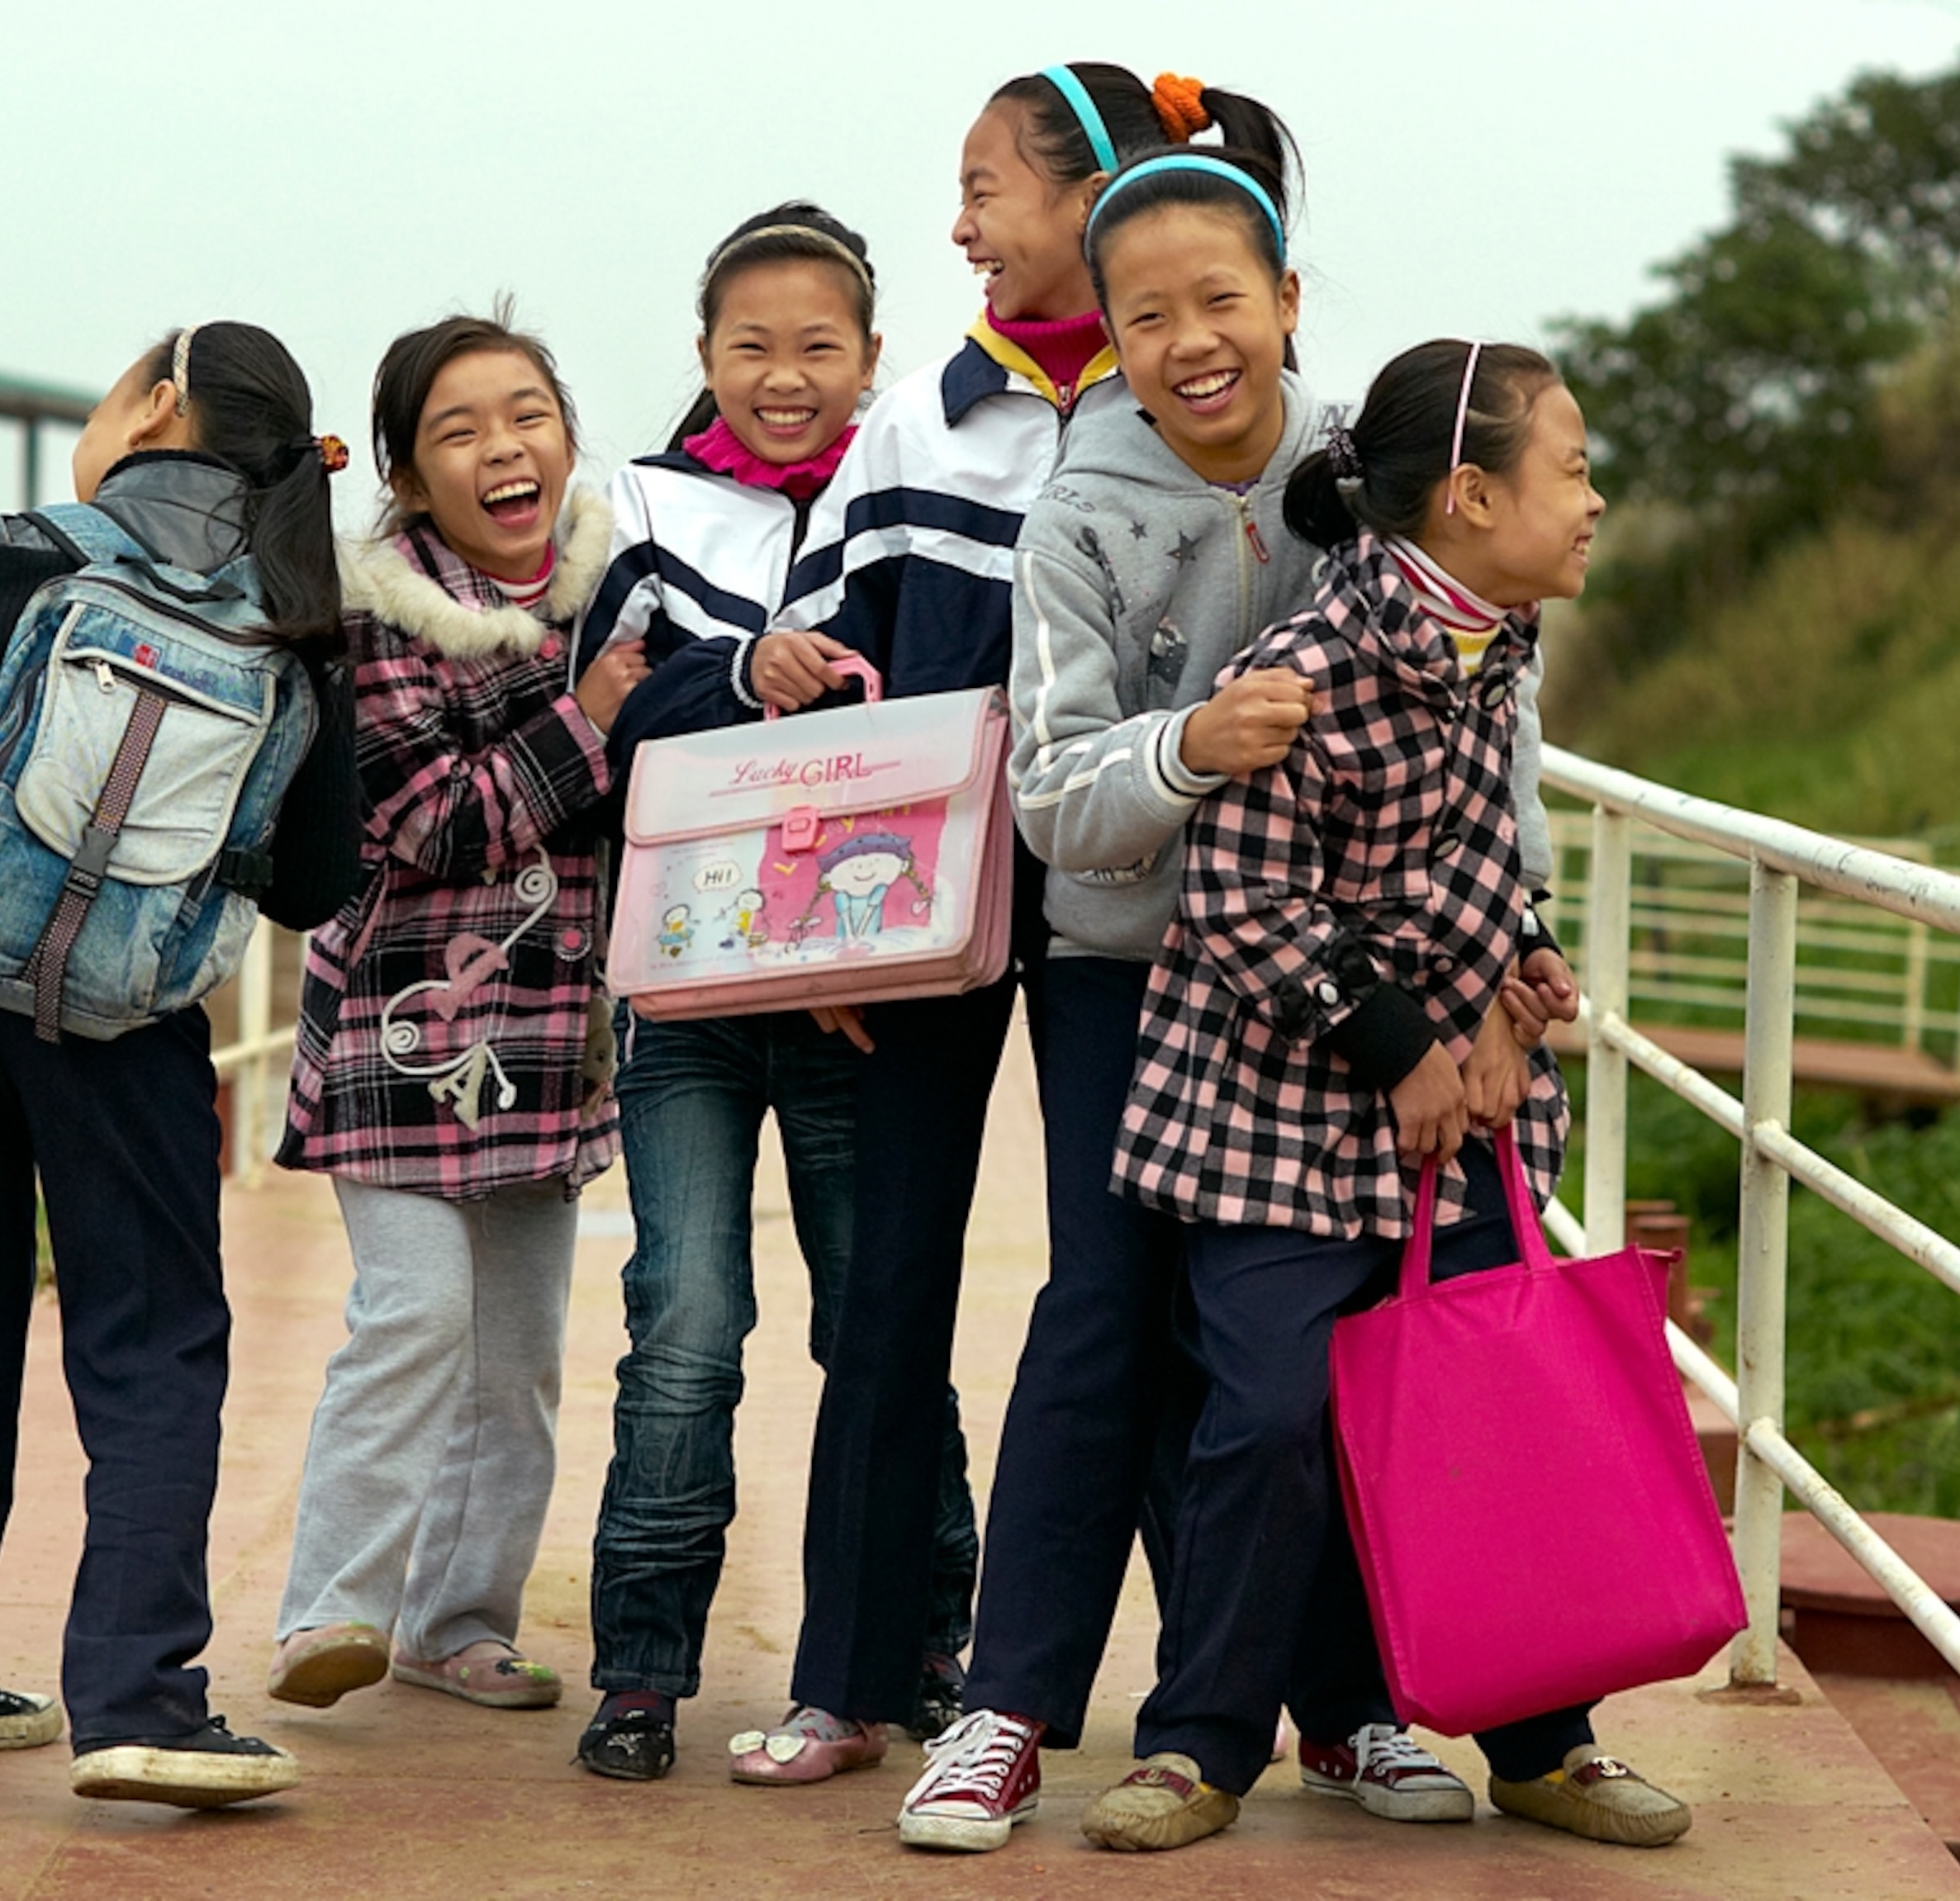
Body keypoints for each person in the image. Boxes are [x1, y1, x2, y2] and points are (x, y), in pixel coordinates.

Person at [1079, 339, 1689, 1853]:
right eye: (1576, 468)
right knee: (1268, 1418)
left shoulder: (1500, 641)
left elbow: (1475, 868)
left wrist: (1516, 984)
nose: (1598, 500)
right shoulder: (1315, 668)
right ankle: (1199, 1745)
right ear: (1472, 497)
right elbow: (1240, 894)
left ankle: (1547, 1736)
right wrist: (1406, 1045)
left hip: (1457, 1115)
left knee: (1507, 1405)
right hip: (1277, 1121)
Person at [0, 320, 360, 1809]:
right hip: (127, 1026)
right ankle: (142, 1696)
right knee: (152, 1336)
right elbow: (310, 878)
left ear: (155, 404)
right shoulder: (297, 600)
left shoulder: (33, 546)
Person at [736, 61, 1194, 1785]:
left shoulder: (1185, 410)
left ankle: (1189, 1706)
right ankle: (846, 1681)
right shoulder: (917, 425)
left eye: (988, 186)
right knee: (887, 1295)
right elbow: (829, 680)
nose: (962, 223)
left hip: (1118, 918)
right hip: (917, 926)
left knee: (1121, 1289)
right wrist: (836, 939)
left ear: (1093, 199)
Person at [564, 203, 983, 1783]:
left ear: (873, 358)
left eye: (820, 347)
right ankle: (640, 1666)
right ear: (704, 358)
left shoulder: (909, 494)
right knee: (687, 1321)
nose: (785, 375)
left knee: (882, 1317)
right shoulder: (647, 505)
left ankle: (930, 1636)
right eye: (752, 346)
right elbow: (606, 712)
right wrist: (742, 677)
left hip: (849, 991)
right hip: (681, 993)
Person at [265, 309, 648, 1723]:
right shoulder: (374, 616)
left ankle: (458, 1616)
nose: (506, 448)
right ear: (410, 479)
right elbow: (428, 818)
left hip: (551, 1037)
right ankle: (331, 1608)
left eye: (528, 413)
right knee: (415, 1316)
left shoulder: (618, 584)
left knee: (521, 1355)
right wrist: (590, 720)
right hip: (400, 1029)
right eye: (461, 431)